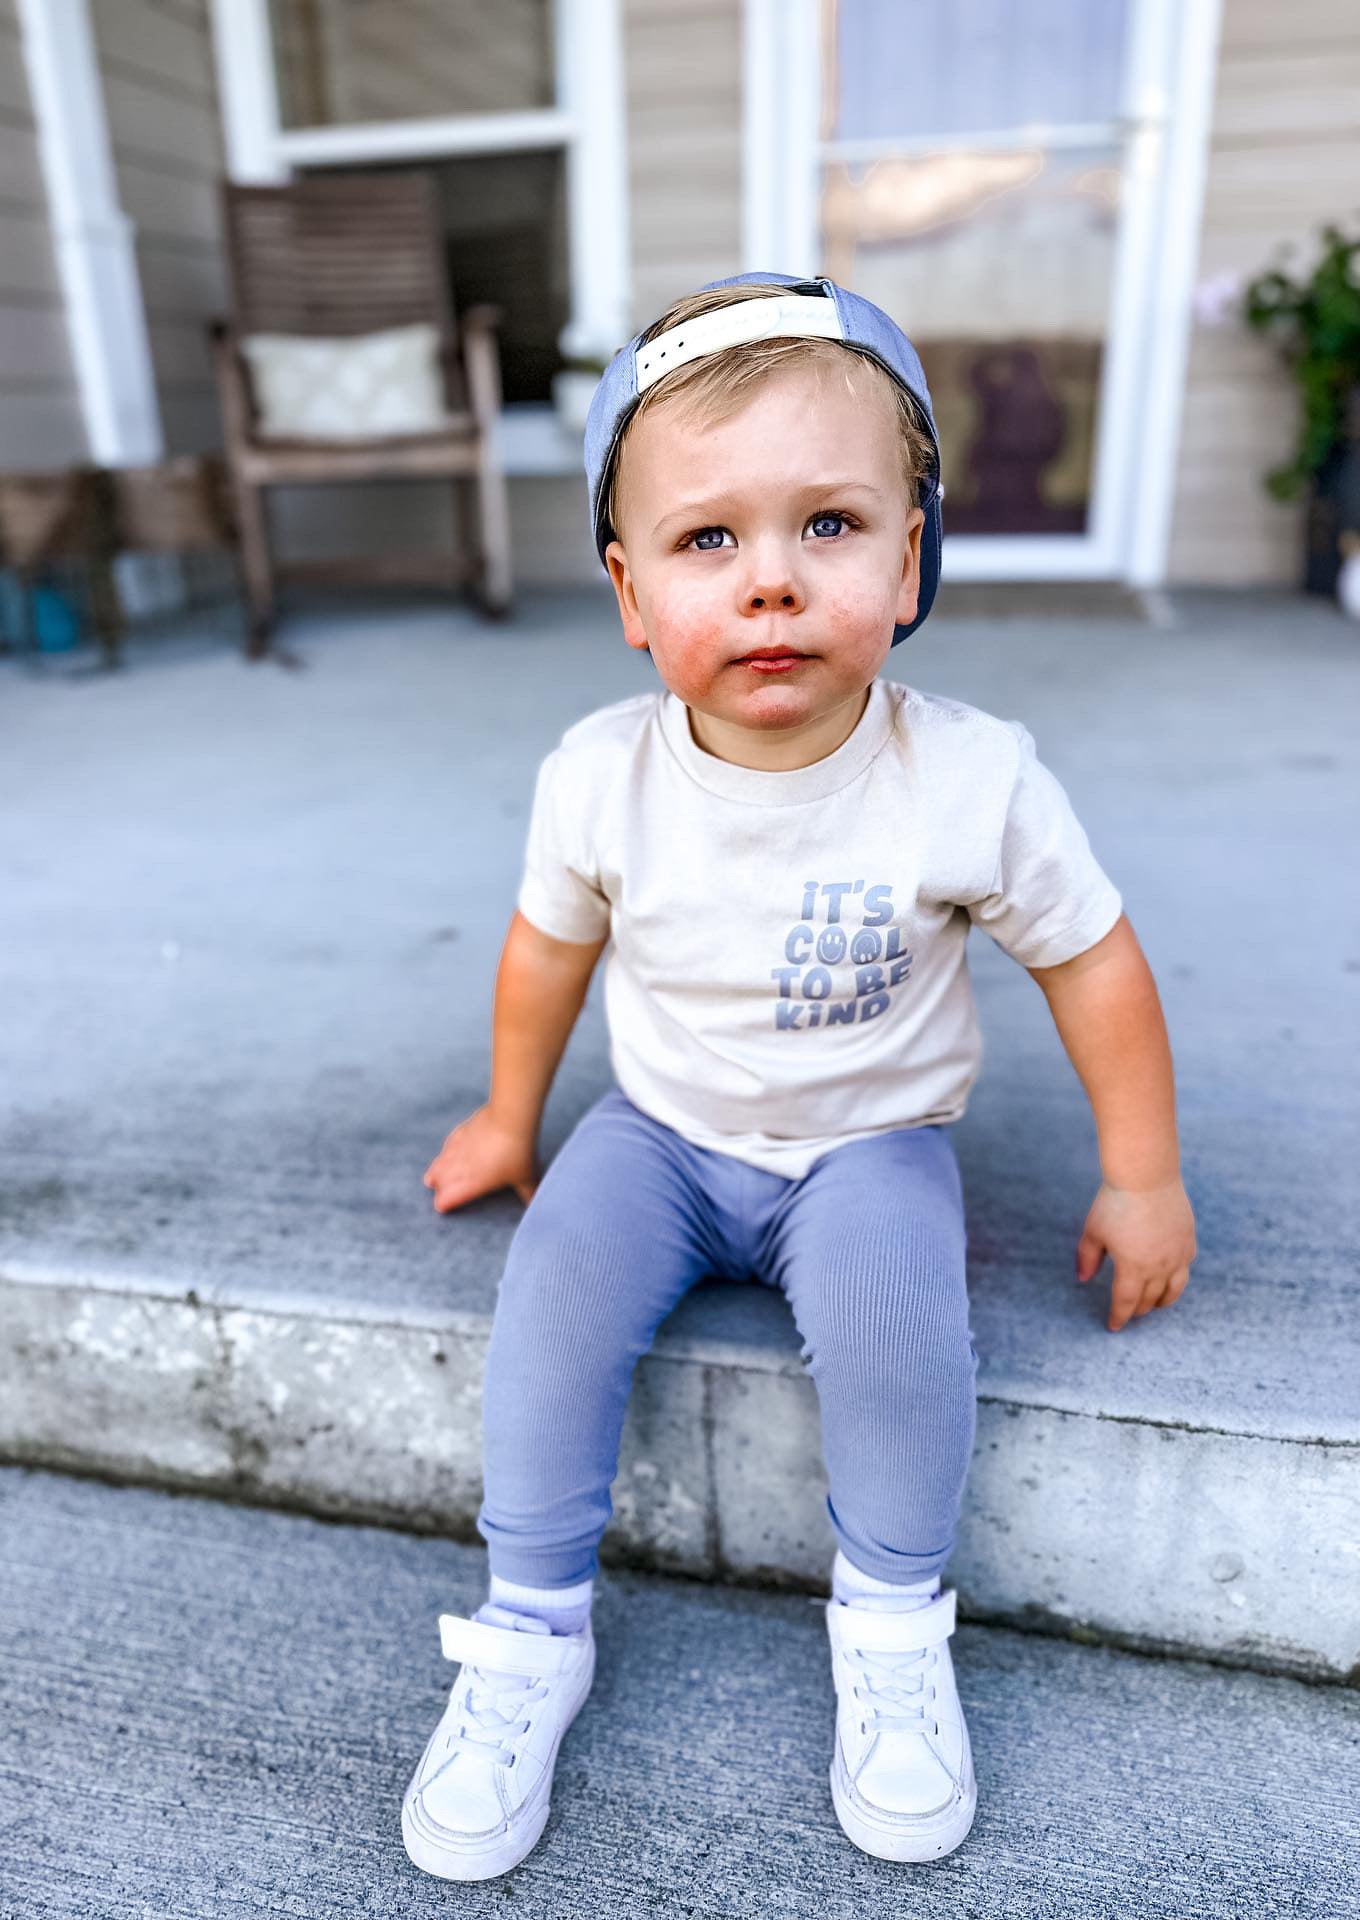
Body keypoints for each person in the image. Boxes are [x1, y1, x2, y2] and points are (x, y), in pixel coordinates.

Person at [401, 273, 1197, 1880]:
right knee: (550, 1302)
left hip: (867, 1139)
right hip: (661, 1132)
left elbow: (1092, 961)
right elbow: (546, 954)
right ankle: (531, 1626)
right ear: (631, 594)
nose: (770, 579)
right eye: (708, 540)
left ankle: (893, 1625)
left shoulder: (966, 777)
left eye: (829, 524)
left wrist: (1143, 1172)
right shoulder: (600, 777)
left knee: (904, 1332)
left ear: (909, 560)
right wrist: (508, 1113)